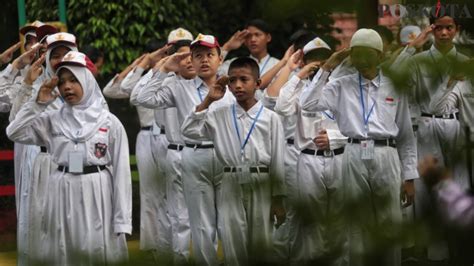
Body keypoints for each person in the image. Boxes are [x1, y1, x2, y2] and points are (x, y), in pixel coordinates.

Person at [300, 28, 418, 266]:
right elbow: (308, 103)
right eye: (356, 53)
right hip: (353, 153)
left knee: (389, 220)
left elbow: (405, 133)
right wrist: (327, 67)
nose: (361, 59)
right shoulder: (340, 85)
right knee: (356, 223)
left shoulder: (394, 86)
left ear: (379, 55)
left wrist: (409, 176)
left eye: (367, 53)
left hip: (386, 153)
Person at [6, 51, 132, 265]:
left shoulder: (110, 122)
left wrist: (122, 221)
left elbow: (121, 172)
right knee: (63, 249)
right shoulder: (51, 119)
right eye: (62, 81)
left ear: (87, 80)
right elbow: (14, 132)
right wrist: (38, 104)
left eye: (74, 80)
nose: (67, 87)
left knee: (97, 249)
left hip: (98, 191)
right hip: (61, 189)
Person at [136, 34, 235, 266]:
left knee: (230, 220)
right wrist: (163, 68)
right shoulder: (179, 88)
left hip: (226, 157)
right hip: (194, 154)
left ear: (220, 59)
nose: (204, 60)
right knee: (201, 222)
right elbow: (141, 97)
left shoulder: (233, 88)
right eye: (197, 56)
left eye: (210, 55)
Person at [181, 57, 286, 265]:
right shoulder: (219, 114)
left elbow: (278, 160)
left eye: (244, 79)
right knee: (232, 241)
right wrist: (208, 101)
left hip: (261, 181)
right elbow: (188, 131)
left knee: (261, 243)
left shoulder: (270, 118)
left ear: (257, 83)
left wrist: (279, 198)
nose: (238, 85)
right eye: (233, 80)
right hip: (230, 181)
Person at [391, 15, 469, 261]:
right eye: (439, 28)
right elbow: (391, 78)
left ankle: (460, 249)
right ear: (432, 30)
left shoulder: (466, 62)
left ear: (457, 30)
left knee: (459, 186)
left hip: (457, 126)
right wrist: (414, 45)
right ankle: (433, 253)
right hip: (425, 125)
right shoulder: (419, 61)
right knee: (429, 189)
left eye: (449, 28)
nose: (444, 33)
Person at [267, 37, 348, 265]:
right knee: (310, 220)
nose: (319, 65)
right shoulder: (298, 88)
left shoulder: (341, 86)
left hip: (338, 157)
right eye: (314, 61)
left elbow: (354, 125)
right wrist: (298, 75)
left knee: (339, 217)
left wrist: (334, 138)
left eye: (324, 61)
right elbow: (282, 107)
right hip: (308, 159)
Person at [219, 19, 280, 94]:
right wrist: (227, 47)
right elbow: (214, 71)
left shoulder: (280, 65)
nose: (252, 39)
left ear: (268, 38)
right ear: (244, 41)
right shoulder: (235, 64)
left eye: (257, 35)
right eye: (248, 36)